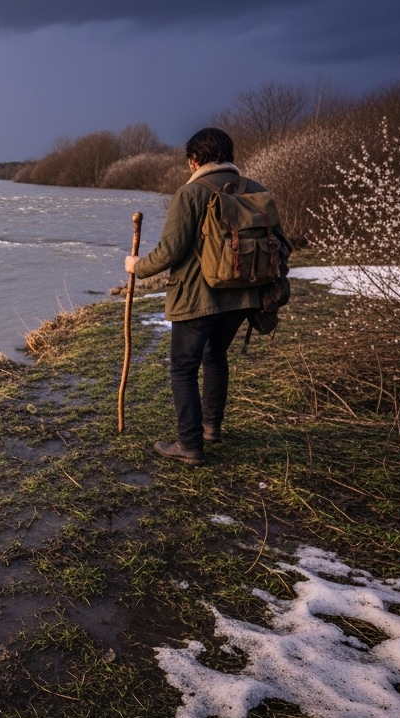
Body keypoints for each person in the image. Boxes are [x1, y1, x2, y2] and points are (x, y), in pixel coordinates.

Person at [124, 127, 290, 466]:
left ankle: (189, 445)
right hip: (244, 298)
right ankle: (211, 428)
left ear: (193, 160)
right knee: (216, 357)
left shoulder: (191, 193)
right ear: (230, 157)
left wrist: (137, 266)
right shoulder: (257, 191)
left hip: (197, 299)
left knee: (183, 368)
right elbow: (280, 245)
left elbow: (170, 251)